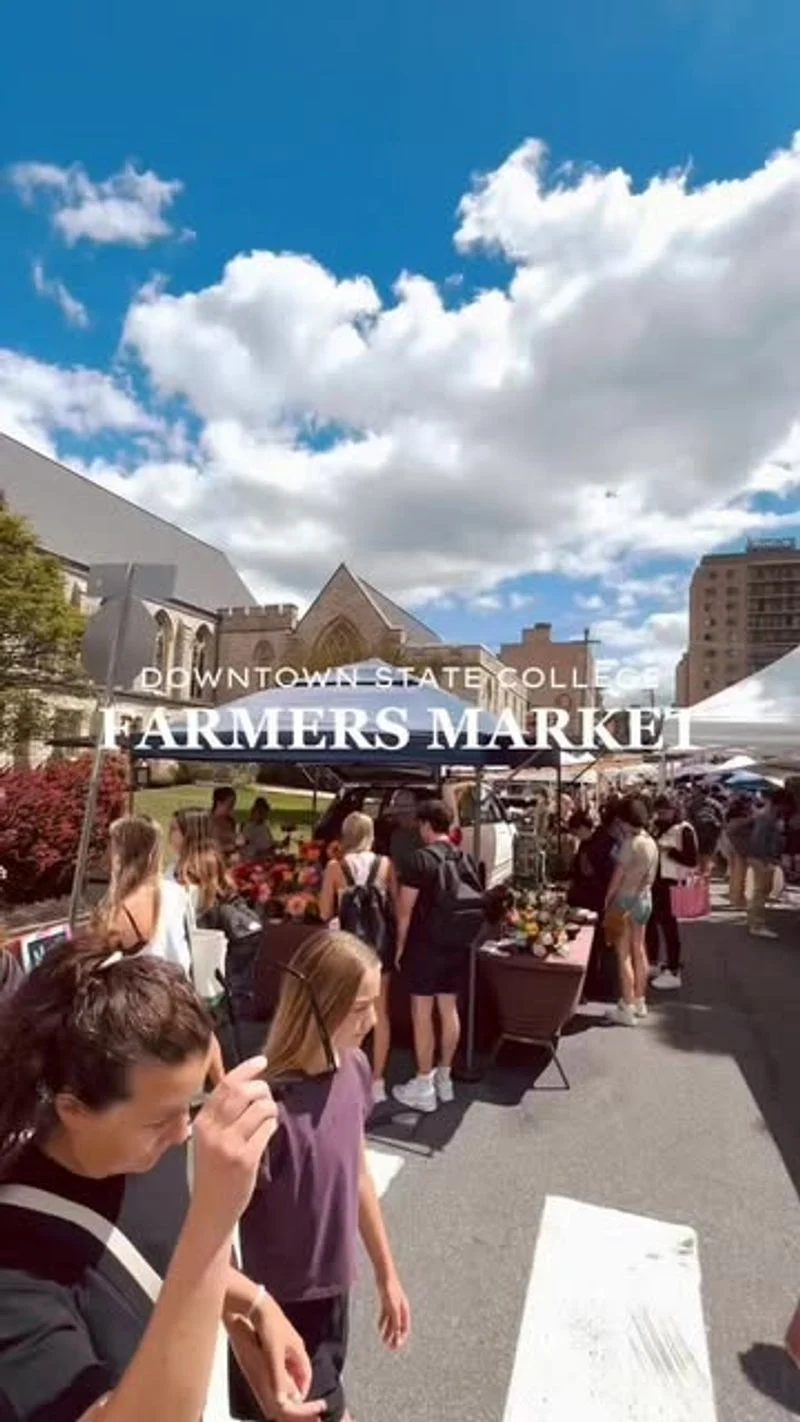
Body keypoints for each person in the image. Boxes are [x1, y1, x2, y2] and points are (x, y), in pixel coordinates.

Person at [0, 939, 321, 1422]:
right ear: (72, 1110)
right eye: (159, 1120)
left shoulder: (155, 1152)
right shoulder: (14, 1257)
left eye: (191, 1105)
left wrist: (255, 1306)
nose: (184, 1133)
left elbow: (162, 1258)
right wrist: (215, 1218)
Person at [236, 929, 410, 1422]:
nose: (373, 1021)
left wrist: (387, 1274)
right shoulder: (266, 1108)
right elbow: (213, 1251)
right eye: (361, 1006)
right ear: (320, 1004)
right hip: (277, 1310)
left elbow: (356, 1176)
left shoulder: (353, 1069)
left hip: (333, 1294)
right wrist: (249, 1331)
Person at [392, 799, 485, 1113]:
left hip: (425, 945)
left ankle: (423, 1083)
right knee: (449, 1010)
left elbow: (404, 912)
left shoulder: (419, 860)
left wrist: (400, 948)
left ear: (427, 826)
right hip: (456, 944)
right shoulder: (465, 858)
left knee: (422, 1011)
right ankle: (444, 1077)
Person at [318, 811, 398, 1106]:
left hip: (347, 950)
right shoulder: (386, 865)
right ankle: (378, 1080)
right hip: (379, 948)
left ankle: (344, 1075)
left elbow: (326, 912)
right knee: (380, 1014)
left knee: (342, 1012)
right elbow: (395, 906)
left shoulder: (335, 867)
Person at [97, 816, 192, 974]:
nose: (108, 854)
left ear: (124, 853)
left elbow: (99, 954)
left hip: (141, 990)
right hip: (177, 985)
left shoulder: (125, 907)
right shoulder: (176, 891)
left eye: (112, 846)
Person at [603, 796, 659, 1027]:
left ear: (625, 821)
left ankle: (626, 1007)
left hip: (624, 899)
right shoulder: (650, 842)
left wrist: (607, 901)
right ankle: (639, 1000)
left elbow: (617, 878)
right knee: (640, 950)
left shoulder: (630, 844)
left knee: (623, 954)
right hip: (645, 899)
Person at [646, 797, 698, 991]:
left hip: (671, 882)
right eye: (659, 811)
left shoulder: (684, 829)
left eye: (665, 811)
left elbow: (691, 860)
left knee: (669, 925)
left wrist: (668, 851)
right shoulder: (658, 826)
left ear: (675, 809)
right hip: (656, 881)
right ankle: (654, 961)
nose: (662, 815)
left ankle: (674, 968)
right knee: (651, 920)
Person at [746, 790, 787, 939]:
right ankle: (757, 924)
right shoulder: (767, 818)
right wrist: (766, 860)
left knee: (760, 891)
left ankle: (754, 921)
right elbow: (759, 841)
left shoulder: (767, 817)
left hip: (760, 858)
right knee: (760, 892)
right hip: (761, 858)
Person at [722, 794, 755, 909]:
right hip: (740, 848)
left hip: (731, 845)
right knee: (740, 874)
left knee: (735, 874)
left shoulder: (731, 815)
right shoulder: (743, 818)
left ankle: (734, 898)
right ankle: (738, 899)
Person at [166, 806, 212, 879]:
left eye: (174, 828)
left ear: (191, 833)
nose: (169, 833)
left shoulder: (198, 872)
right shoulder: (176, 863)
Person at [210, 786, 241, 863]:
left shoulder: (230, 821)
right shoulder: (209, 821)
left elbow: (234, 841)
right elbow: (209, 848)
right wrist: (232, 846)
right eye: (230, 805)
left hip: (228, 863)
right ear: (219, 803)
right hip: (212, 863)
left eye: (233, 804)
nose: (232, 808)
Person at [243, 796, 276, 861]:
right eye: (262, 813)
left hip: (267, 856)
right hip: (255, 859)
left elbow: (270, 842)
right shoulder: (249, 828)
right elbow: (246, 848)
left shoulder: (264, 826)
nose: (265, 816)